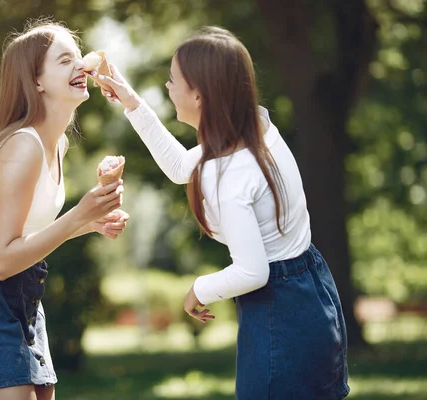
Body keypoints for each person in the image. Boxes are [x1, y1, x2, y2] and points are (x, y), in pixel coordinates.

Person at [90, 27, 349, 399]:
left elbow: (252, 272)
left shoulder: (231, 175)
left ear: (199, 94)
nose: (166, 87)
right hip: (310, 290)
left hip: (282, 309)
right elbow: (181, 167)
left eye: (172, 79)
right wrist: (132, 102)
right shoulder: (253, 130)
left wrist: (199, 289)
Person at [0, 20, 128, 400]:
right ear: (37, 81)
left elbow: (32, 231)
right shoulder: (23, 147)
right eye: (64, 61)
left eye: (78, 58)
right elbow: (3, 260)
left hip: (23, 292)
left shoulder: (56, 145)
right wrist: (79, 214)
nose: (80, 66)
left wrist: (89, 223)